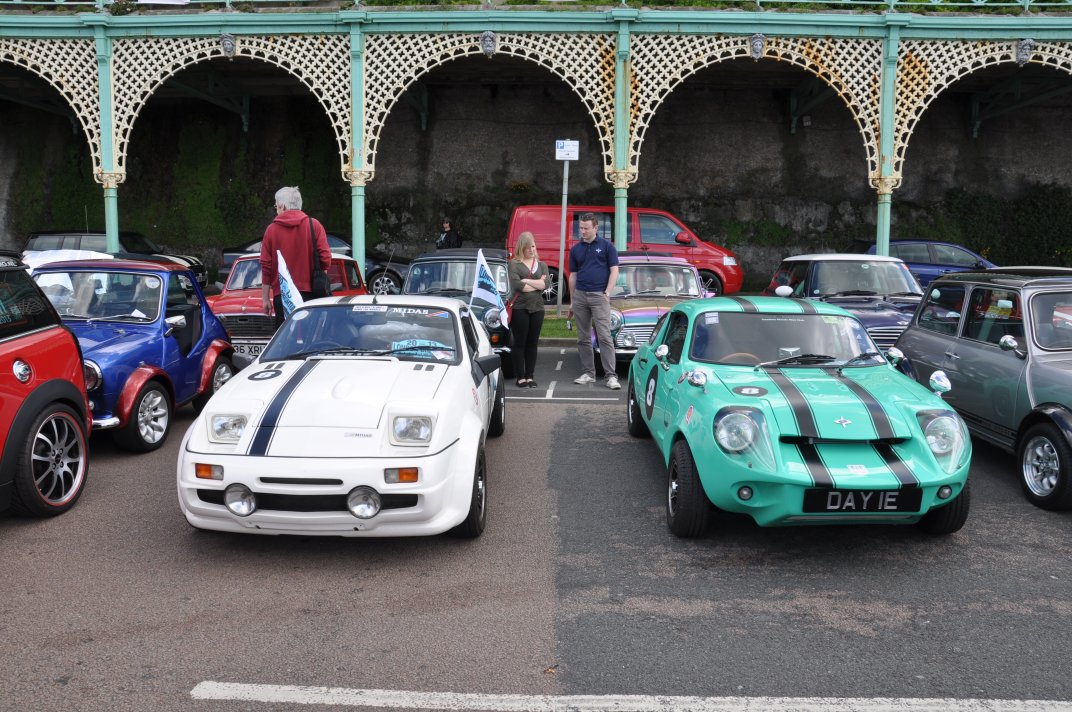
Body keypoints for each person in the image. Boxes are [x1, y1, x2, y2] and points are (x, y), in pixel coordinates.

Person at [259, 186, 332, 330]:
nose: (276, 210)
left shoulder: (271, 230)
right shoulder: (314, 225)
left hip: (282, 294)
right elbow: (325, 259)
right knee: (310, 335)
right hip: (311, 292)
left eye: (276, 206)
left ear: (282, 206)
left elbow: (266, 267)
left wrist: (265, 299)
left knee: (285, 337)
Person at [568, 212, 620, 389]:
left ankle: (611, 376)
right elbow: (573, 275)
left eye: (586, 228)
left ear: (596, 228)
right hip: (580, 295)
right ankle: (588, 373)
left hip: (599, 295)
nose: (583, 231)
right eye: (581, 228)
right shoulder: (576, 249)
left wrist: (607, 292)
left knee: (604, 336)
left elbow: (614, 270)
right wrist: (572, 300)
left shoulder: (607, 246)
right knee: (583, 337)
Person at [508, 232, 548, 388]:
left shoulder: (542, 265)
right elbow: (518, 286)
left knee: (532, 343)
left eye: (533, 246)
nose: (531, 250)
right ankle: (520, 377)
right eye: (528, 247)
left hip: (537, 308)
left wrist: (526, 280)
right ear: (521, 248)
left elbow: (546, 285)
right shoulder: (514, 264)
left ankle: (530, 376)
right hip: (520, 308)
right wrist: (537, 283)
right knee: (520, 343)